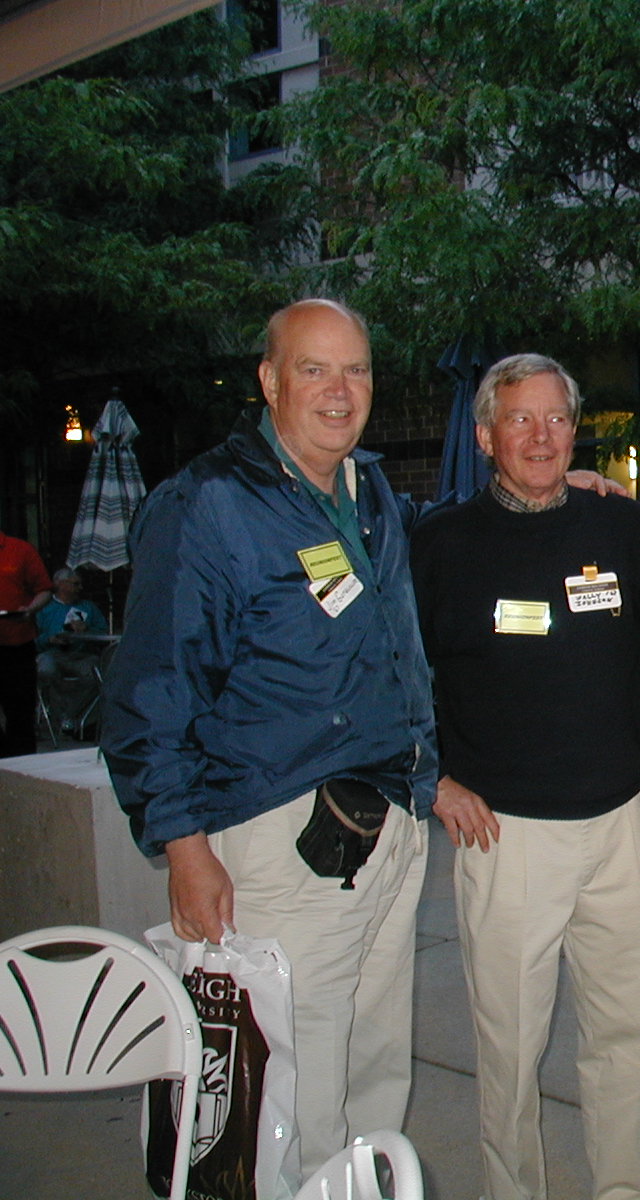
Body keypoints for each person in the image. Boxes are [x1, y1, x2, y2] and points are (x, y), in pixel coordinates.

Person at [101, 298, 437, 1182]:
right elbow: (150, 694)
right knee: (293, 1093)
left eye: (356, 369)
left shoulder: (369, 495)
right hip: (283, 840)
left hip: (387, 824)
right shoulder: (209, 504)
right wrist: (185, 848)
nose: (339, 390)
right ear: (270, 380)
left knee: (374, 1073)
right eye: (314, 369)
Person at [408, 353, 640, 1200]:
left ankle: (619, 1189)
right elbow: (393, 672)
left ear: (575, 430)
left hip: (618, 821)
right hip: (505, 831)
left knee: (625, 1034)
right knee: (511, 1048)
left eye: (556, 418)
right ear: (486, 436)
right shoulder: (441, 545)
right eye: (520, 419)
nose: (540, 436)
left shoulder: (625, 528)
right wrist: (431, 778)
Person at [35, 568, 110, 735]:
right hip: (51, 653)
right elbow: (32, 638)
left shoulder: (88, 607)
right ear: (60, 584)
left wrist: (87, 629)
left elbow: (104, 633)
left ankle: (69, 715)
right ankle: (56, 714)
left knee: (97, 673)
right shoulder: (44, 608)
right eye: (76, 584)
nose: (80, 588)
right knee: (46, 670)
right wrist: (49, 639)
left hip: (81, 655)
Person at [0, 527, 51, 758]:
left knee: (20, 710)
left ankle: (22, 765)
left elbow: (45, 590)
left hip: (17, 642)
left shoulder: (20, 550)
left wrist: (30, 609)